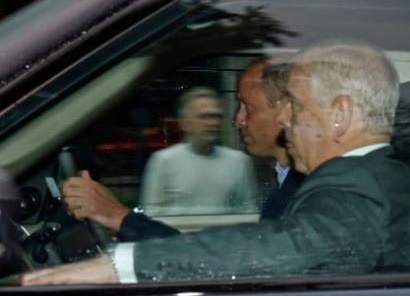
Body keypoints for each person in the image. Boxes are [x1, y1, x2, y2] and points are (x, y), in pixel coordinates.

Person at [22, 40, 410, 285]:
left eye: (296, 106)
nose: (284, 120)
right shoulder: (381, 175)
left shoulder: (358, 184)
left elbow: (289, 248)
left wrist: (118, 267)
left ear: (339, 115)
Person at [61, 59, 303, 241]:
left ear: (285, 111)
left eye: (247, 108)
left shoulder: (305, 191)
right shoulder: (285, 182)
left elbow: (234, 260)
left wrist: (119, 218)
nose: (236, 120)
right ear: (185, 123)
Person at [138, 86, 257, 216]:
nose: (213, 123)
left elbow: (248, 212)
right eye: (204, 116)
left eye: (216, 116)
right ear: (184, 123)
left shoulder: (239, 161)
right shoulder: (163, 161)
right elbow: (151, 215)